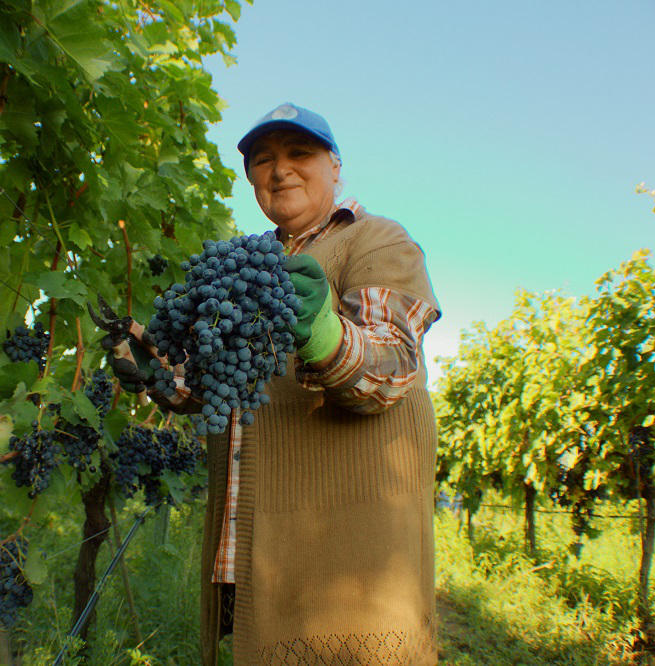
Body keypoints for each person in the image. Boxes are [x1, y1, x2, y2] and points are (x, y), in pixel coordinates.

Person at [108, 102, 441, 665]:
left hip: (346, 568)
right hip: (251, 551)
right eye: (262, 160)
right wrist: (157, 369)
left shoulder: (378, 240)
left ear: (336, 167)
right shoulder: (249, 264)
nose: (279, 169)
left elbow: (392, 372)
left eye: (298, 153)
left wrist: (320, 331)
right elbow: (217, 389)